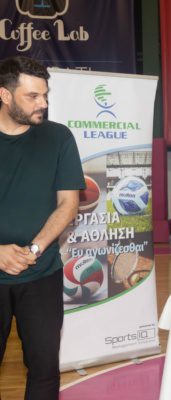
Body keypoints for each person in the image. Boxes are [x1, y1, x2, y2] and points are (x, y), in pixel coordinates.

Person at [0, 56, 85, 399]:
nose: (43, 104)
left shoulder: (58, 137)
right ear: (5, 95)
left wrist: (33, 250)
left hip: (41, 272)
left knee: (45, 370)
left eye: (45, 95)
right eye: (32, 96)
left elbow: (68, 204)